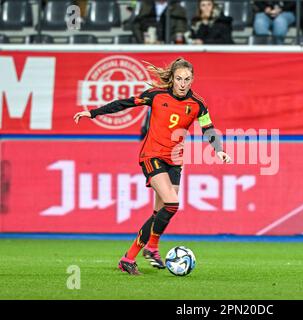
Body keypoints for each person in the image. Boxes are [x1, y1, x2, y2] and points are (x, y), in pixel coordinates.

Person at [73, 58, 232, 275]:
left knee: (161, 211)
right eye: (178, 79)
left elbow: (209, 128)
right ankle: (151, 248)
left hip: (175, 161)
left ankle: (130, 258)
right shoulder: (156, 95)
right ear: (172, 79)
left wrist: (219, 149)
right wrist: (93, 113)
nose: (183, 83)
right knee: (172, 204)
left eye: (187, 79)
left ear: (192, 79)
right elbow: (124, 103)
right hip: (152, 155)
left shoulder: (198, 104)